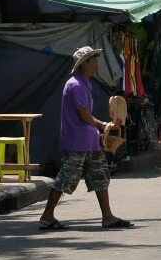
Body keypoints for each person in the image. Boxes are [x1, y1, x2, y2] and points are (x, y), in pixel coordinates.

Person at [38, 46, 132, 231]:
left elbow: (86, 116)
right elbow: (84, 116)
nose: (96, 62)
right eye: (93, 59)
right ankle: (47, 216)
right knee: (66, 178)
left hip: (90, 141)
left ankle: (108, 217)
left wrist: (103, 129)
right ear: (84, 64)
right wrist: (104, 126)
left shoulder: (85, 83)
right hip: (77, 142)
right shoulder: (76, 85)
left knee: (100, 176)